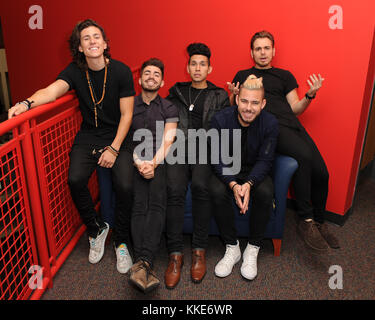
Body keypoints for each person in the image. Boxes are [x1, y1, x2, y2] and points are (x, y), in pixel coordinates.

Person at [8, 19, 135, 272]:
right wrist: (26, 103)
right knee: (75, 180)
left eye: (96, 37)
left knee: (125, 184)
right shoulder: (75, 71)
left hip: (117, 135)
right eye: (85, 38)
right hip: (88, 136)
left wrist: (113, 149)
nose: (92, 41)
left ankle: (120, 241)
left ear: (105, 43)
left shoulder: (120, 71)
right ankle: (96, 228)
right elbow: (51, 91)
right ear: (79, 47)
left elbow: (127, 115)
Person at [227, 30, 339, 253]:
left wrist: (310, 95)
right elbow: (236, 108)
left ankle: (319, 220)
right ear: (252, 52)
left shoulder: (284, 75)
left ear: (273, 51)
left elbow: (296, 108)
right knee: (304, 157)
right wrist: (233, 94)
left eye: (266, 48)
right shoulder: (243, 74)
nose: (262, 52)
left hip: (293, 126)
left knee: (322, 173)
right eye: (258, 48)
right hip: (270, 126)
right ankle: (306, 221)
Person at [164, 43, 229, 289]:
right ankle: (175, 255)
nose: (198, 68)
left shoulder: (219, 95)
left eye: (202, 64)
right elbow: (166, 120)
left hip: (205, 150)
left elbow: (226, 126)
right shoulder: (176, 93)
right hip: (179, 150)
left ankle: (199, 251)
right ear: (187, 67)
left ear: (209, 68)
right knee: (175, 190)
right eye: (193, 63)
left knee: (202, 186)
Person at [210, 75, 278, 280]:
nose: (249, 108)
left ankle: (253, 247)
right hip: (228, 170)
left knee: (266, 192)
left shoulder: (270, 123)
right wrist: (232, 184)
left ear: (263, 104)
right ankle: (232, 247)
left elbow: (266, 160)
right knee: (215, 190)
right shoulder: (220, 119)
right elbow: (216, 157)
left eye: (255, 103)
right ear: (237, 99)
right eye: (245, 101)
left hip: (254, 170)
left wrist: (248, 184)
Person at [126, 58, 178, 293]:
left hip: (159, 160)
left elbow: (169, 140)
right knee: (139, 203)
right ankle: (144, 263)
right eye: (147, 73)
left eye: (156, 74)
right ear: (139, 79)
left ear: (162, 81)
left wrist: (153, 164)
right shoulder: (128, 105)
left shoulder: (169, 107)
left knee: (156, 203)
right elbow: (126, 137)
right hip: (134, 159)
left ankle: (141, 264)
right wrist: (139, 163)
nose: (151, 76)